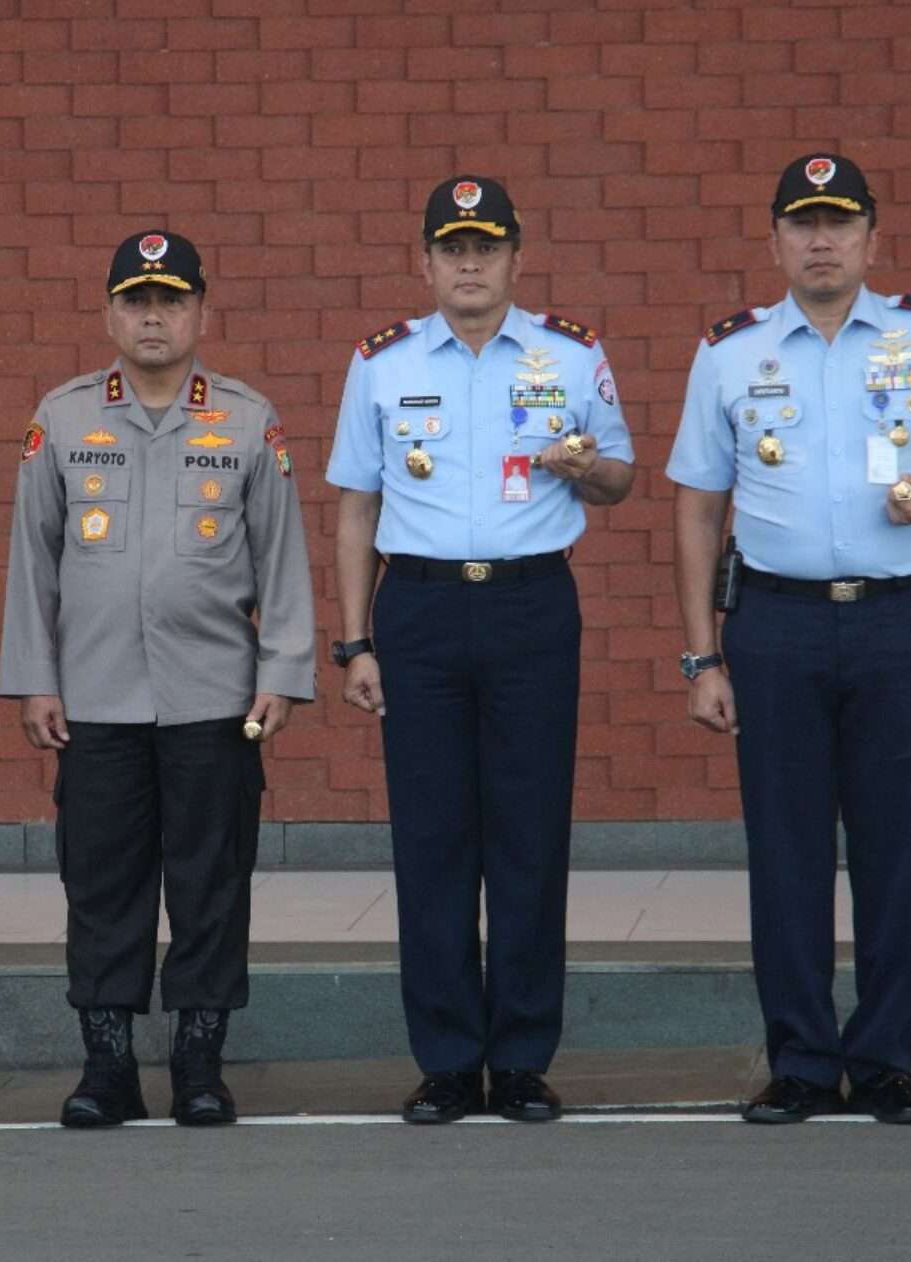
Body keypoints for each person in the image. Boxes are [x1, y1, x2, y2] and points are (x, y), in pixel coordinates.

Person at [666, 154, 911, 1125]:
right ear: (775, 240)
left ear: (872, 236)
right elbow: (699, 508)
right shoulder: (731, 353)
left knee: (896, 844)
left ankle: (882, 1061)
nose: (820, 240)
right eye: (801, 224)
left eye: (839, 223)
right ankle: (796, 1059)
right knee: (783, 848)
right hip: (776, 622)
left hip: (898, 619)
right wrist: (702, 653)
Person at [326, 176, 635, 1124]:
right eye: (452, 248)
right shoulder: (380, 361)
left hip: (530, 608)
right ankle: (451, 1061)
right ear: (423, 261)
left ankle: (524, 1058)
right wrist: (353, 642)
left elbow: (619, 476)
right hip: (415, 613)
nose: (469, 263)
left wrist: (589, 469)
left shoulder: (571, 355)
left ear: (515, 257)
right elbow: (355, 507)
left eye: (487, 247)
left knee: (530, 837)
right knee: (431, 842)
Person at [0, 229, 316, 1128]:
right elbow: (34, 563)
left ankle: (199, 1064)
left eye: (170, 301)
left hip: (214, 698)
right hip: (94, 700)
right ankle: (106, 1067)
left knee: (211, 882)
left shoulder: (248, 420)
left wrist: (283, 671)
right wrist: (34, 678)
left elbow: (282, 559)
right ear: (108, 313)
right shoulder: (61, 419)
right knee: (101, 883)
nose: (152, 316)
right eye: (136, 300)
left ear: (201, 314)